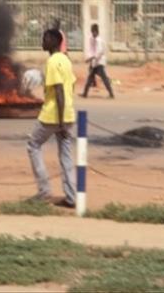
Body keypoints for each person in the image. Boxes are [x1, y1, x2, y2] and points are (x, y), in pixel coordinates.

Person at [26, 29, 77, 208]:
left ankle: (44, 191)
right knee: (66, 155)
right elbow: (72, 85)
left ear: (54, 41)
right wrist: (65, 116)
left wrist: (60, 121)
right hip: (68, 114)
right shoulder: (66, 59)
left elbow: (59, 90)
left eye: (45, 38)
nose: (42, 41)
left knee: (33, 145)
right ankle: (71, 197)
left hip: (52, 116)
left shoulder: (53, 61)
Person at [81, 24, 114, 99]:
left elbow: (99, 52)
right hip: (95, 62)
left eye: (93, 32)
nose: (92, 33)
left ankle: (111, 94)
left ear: (96, 32)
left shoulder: (99, 41)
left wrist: (90, 58)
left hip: (99, 62)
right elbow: (91, 50)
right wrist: (90, 58)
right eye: (92, 32)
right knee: (90, 77)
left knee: (104, 78)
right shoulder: (92, 39)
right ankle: (85, 93)